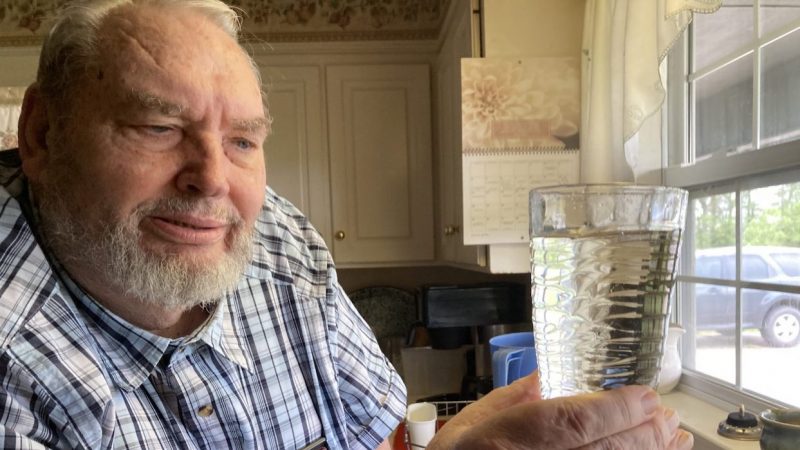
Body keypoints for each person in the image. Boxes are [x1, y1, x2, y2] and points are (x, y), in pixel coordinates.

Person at [0, 0, 692, 449]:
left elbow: (381, 439)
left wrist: (455, 441)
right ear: (41, 134)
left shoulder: (280, 241)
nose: (212, 179)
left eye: (242, 140)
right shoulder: (15, 373)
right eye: (158, 126)